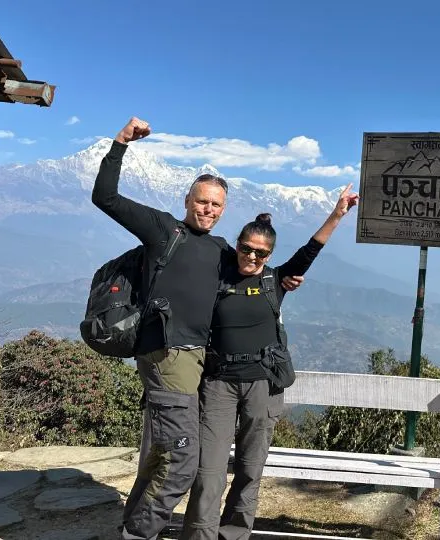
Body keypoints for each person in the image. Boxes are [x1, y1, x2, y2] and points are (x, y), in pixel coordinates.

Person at [92, 117, 302, 540]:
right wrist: (120, 144)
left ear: (224, 210)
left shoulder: (222, 249)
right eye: (201, 201)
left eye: (215, 205)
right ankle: (138, 534)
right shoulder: (163, 229)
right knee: (185, 462)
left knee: (162, 455)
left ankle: (132, 524)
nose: (207, 209)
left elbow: (252, 269)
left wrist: (282, 281)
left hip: (195, 363)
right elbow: (106, 197)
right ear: (188, 200)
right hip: (169, 354)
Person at [180, 185, 359, 540]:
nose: (251, 256)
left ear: (269, 255)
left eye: (260, 253)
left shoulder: (274, 281)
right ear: (237, 246)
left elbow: (311, 250)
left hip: (263, 385)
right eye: (246, 249)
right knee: (209, 471)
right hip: (218, 384)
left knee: (250, 469)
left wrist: (338, 213)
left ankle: (233, 534)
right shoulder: (215, 278)